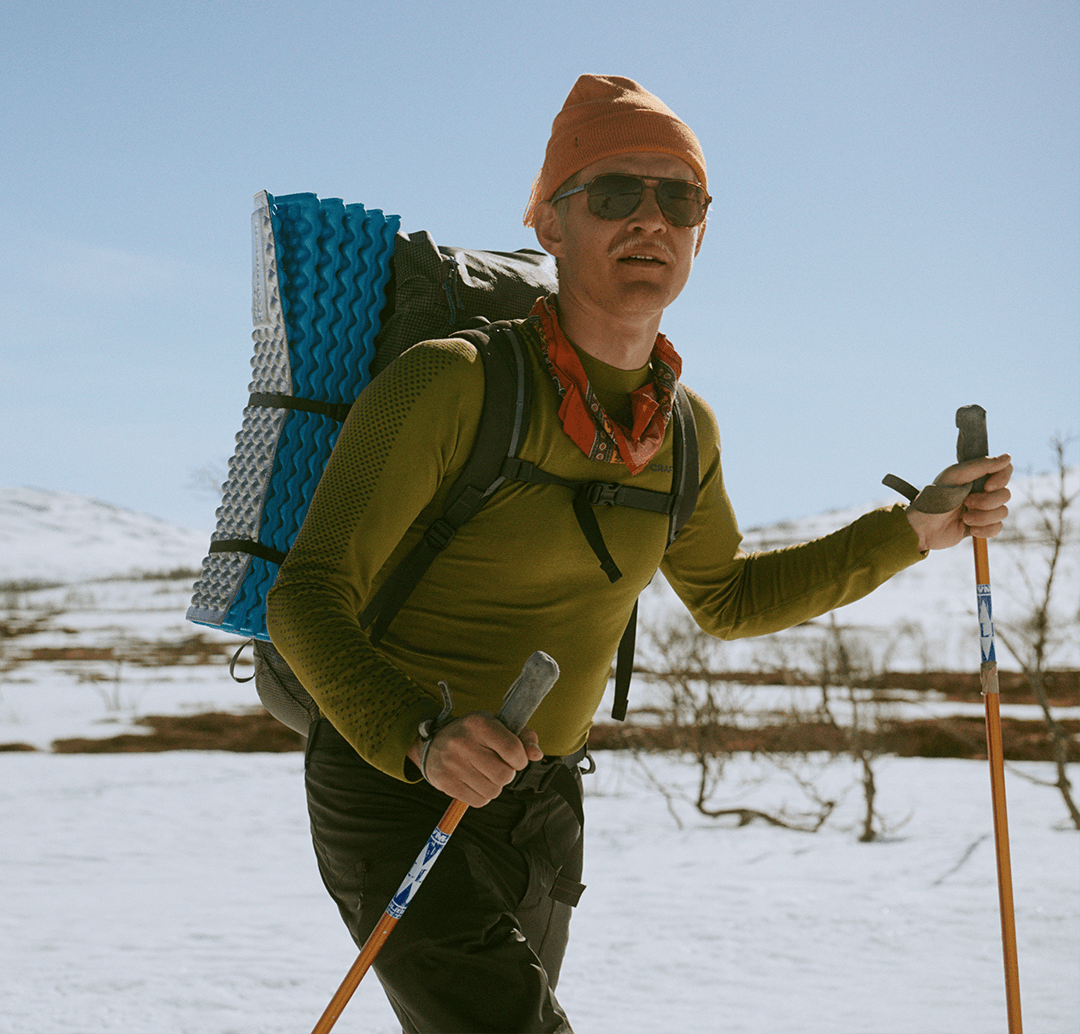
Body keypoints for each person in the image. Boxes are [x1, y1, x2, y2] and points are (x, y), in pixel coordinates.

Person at [266, 74, 1012, 1034]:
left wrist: (915, 530)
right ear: (550, 223)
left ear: (702, 230)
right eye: (614, 192)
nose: (650, 220)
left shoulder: (684, 431)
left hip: (540, 803)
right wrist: (420, 734)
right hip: (396, 784)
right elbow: (306, 596)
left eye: (680, 199)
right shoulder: (451, 384)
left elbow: (729, 599)